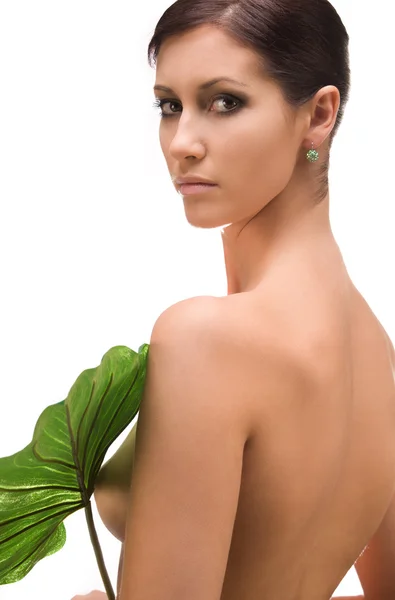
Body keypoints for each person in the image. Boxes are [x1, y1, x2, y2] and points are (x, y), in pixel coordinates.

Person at [76, 0, 395, 599]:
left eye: (225, 102)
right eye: (170, 105)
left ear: (319, 114)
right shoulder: (378, 351)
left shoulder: (205, 341)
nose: (182, 143)